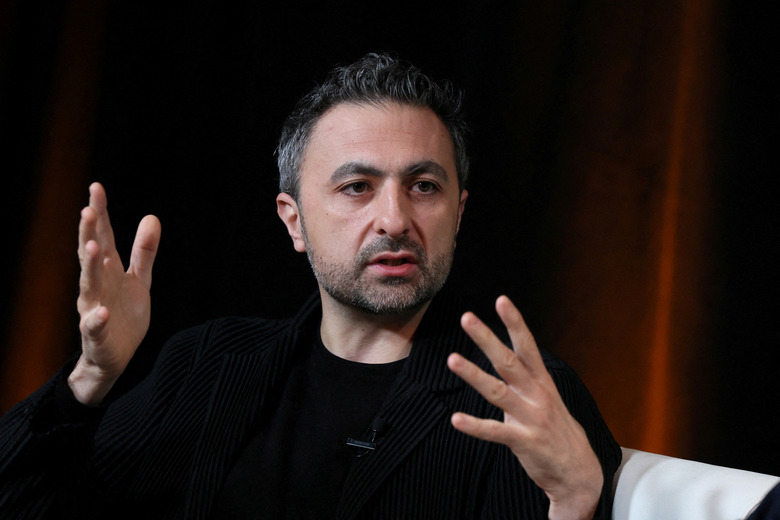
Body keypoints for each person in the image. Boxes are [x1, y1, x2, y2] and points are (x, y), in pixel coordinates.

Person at [0, 52, 620, 519]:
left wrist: (575, 504)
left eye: (423, 186)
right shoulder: (205, 364)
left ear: (458, 211)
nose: (395, 219)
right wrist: (88, 380)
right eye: (357, 187)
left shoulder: (529, 400)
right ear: (293, 221)